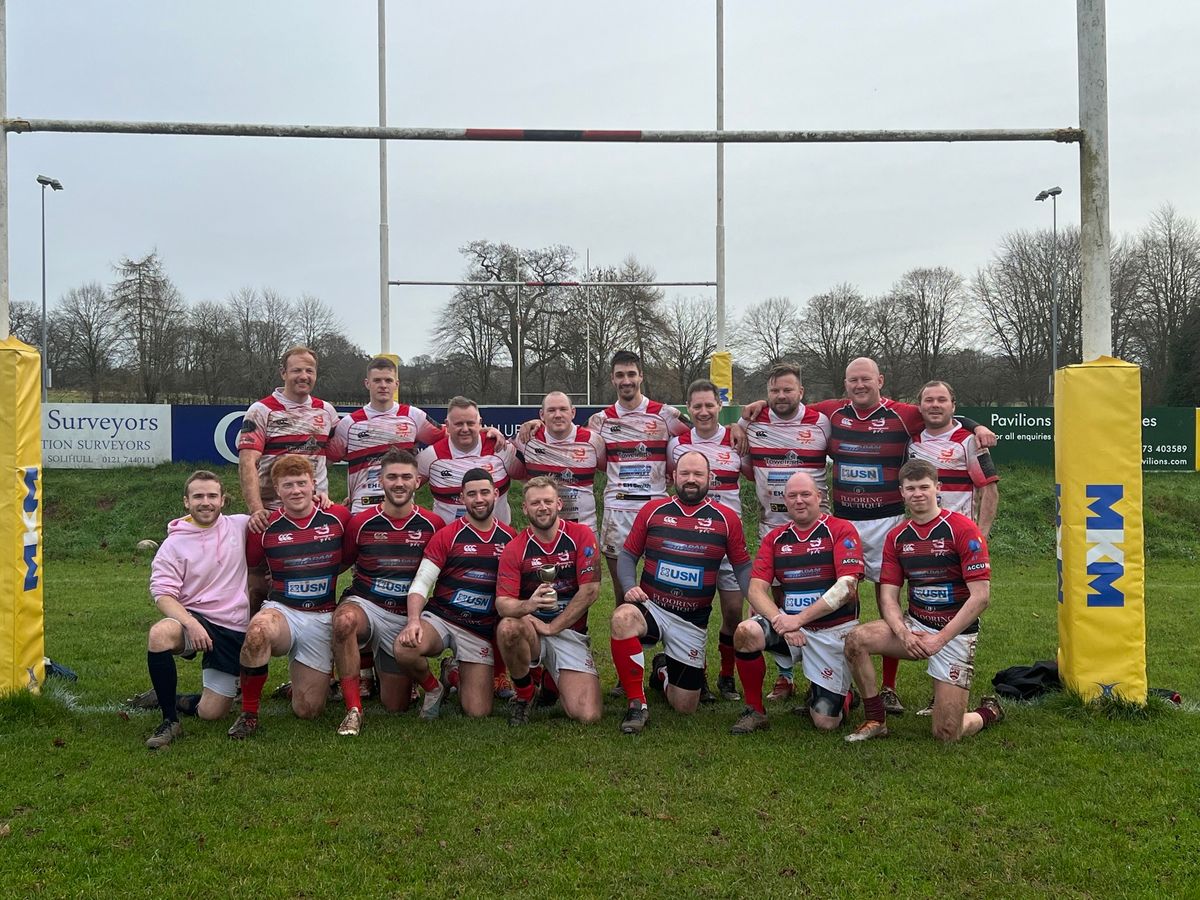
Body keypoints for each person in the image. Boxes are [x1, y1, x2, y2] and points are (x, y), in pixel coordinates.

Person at [842, 459, 1003, 743]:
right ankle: (876, 718)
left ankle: (988, 711)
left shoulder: (963, 529)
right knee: (856, 640)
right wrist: (903, 633)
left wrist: (940, 639)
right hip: (915, 625)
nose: (918, 493)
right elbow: (889, 597)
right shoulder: (897, 536)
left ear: (937, 488)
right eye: (911, 488)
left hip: (954, 634)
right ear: (902, 492)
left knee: (946, 734)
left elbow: (981, 598)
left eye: (924, 487)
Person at [609, 451, 752, 734]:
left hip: (691, 620)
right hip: (652, 608)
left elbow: (743, 568)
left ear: (710, 479)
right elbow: (627, 556)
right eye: (684, 473)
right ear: (673, 477)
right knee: (623, 617)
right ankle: (637, 705)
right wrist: (629, 586)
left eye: (698, 474)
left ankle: (662, 669)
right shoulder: (653, 511)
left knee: (685, 705)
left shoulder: (726, 519)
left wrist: (756, 603)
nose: (690, 480)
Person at [729, 472, 863, 735]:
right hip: (789, 628)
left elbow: (847, 587)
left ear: (819, 497)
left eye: (805, 494)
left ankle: (843, 694)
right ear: (785, 501)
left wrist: (798, 620)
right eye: (792, 496)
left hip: (831, 632)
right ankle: (755, 711)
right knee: (746, 632)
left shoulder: (841, 529)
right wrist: (783, 623)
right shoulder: (776, 538)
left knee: (826, 723)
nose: (799, 501)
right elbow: (756, 590)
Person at [227, 455, 351, 739]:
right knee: (258, 633)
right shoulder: (265, 526)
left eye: (301, 483)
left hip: (321, 617)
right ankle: (248, 714)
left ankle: (298, 683)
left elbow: (349, 558)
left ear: (313, 485)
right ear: (277, 490)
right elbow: (253, 569)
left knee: (308, 710)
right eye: (288, 485)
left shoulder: (338, 517)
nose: (296, 490)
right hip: (282, 611)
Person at [330, 449, 445, 736]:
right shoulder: (361, 523)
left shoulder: (433, 524)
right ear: (380, 480)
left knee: (396, 705)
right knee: (344, 621)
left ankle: (420, 680)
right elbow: (342, 563)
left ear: (418, 481)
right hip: (367, 605)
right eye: (392, 476)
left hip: (405, 616)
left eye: (406, 477)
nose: (399, 483)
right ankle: (354, 710)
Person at [735, 362, 831, 702]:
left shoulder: (821, 423)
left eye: (788, 389)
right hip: (772, 530)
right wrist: (741, 421)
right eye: (774, 390)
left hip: (819, 533)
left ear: (801, 392)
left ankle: (830, 674)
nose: (781, 396)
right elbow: (747, 470)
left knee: (825, 601)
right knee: (769, 604)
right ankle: (784, 675)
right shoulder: (754, 423)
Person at [393, 468, 517, 720]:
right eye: (472, 494)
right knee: (404, 648)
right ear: (462, 498)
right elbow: (421, 582)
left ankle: (452, 672)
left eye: (484, 492)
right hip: (442, 617)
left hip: (478, 629)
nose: (479, 499)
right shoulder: (448, 535)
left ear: (496, 494)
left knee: (478, 711)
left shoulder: (509, 538)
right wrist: (414, 621)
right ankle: (433, 688)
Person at [143, 471, 251, 749]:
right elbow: (163, 594)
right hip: (195, 620)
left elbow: (283, 517)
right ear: (186, 502)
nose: (206, 502)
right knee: (159, 634)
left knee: (212, 713)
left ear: (223, 500)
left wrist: (322, 500)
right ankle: (170, 721)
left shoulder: (240, 526)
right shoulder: (173, 544)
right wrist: (190, 623)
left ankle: (172, 698)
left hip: (232, 627)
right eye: (198, 496)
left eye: (212, 496)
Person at [667, 378, 752, 702]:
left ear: (720, 406)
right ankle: (696, 674)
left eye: (709, 405)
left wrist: (741, 425)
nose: (704, 412)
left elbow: (753, 474)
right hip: (692, 543)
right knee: (692, 611)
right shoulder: (678, 444)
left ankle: (727, 676)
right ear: (688, 409)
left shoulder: (735, 439)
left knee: (733, 613)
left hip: (729, 540)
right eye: (697, 406)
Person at [495, 476, 603, 726]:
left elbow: (590, 591)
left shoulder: (581, 535)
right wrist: (528, 607)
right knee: (509, 627)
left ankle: (551, 683)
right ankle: (524, 695)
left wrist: (554, 627)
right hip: (531, 630)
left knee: (588, 715)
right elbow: (503, 604)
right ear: (524, 508)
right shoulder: (515, 548)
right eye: (535, 503)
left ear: (558, 505)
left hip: (569, 633)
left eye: (547, 501)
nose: (542, 507)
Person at [586, 351, 691, 587]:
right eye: (620, 375)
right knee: (623, 592)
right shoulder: (600, 421)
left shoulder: (666, 414)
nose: (626, 380)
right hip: (618, 510)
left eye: (631, 374)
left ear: (641, 376)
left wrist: (736, 428)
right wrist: (534, 424)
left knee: (663, 587)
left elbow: (699, 435)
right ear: (612, 379)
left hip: (656, 508)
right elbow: (570, 440)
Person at [327, 357, 446, 515]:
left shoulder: (413, 416)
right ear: (367, 383)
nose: (383, 385)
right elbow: (324, 460)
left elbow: (452, 438)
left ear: (396, 384)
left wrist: (485, 433)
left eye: (388, 380)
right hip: (362, 510)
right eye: (377, 380)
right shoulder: (349, 424)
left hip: (402, 509)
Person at [237, 346, 339, 515]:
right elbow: (247, 463)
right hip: (274, 511)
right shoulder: (261, 410)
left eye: (309, 371)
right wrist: (256, 509)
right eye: (296, 370)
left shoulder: (327, 410)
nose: (304, 376)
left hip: (317, 510)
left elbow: (335, 453)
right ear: (283, 373)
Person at [907, 380, 999, 539]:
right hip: (920, 537)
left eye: (942, 400)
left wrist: (981, 537)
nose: (935, 405)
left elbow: (990, 491)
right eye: (929, 400)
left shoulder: (970, 441)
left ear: (953, 406)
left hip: (959, 536)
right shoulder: (911, 442)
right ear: (920, 407)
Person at [417, 396, 519, 525]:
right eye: (459, 424)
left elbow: (526, 476)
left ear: (480, 423)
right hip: (449, 541)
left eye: (470, 423)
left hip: (497, 540)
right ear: (447, 425)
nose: (465, 429)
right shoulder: (431, 456)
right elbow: (405, 486)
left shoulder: (500, 448)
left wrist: (534, 424)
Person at [513, 390, 605, 532]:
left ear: (573, 412)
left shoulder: (593, 441)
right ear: (541, 415)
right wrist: (488, 430)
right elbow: (495, 445)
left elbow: (610, 468)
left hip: (583, 529)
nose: (558, 415)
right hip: (543, 530)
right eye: (551, 410)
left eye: (563, 409)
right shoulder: (527, 439)